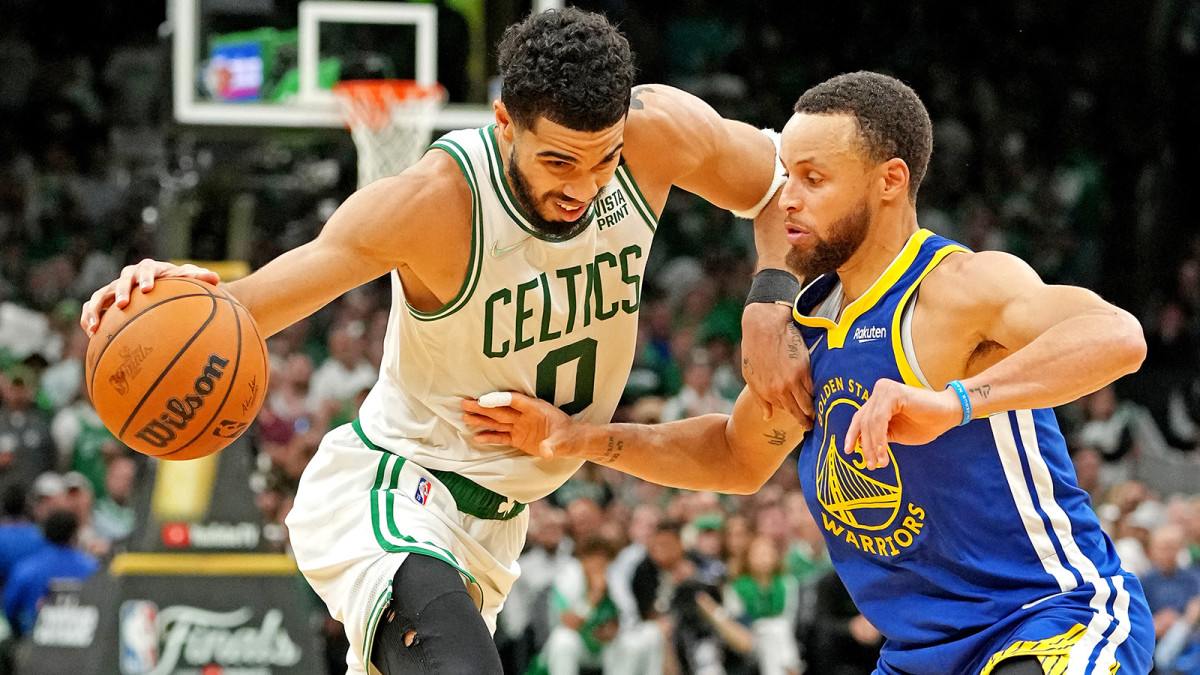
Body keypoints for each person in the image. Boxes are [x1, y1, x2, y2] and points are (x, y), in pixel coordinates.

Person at [80, 9, 803, 673]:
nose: (582, 187)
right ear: (505, 124)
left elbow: (782, 185)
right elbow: (246, 309)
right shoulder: (433, 204)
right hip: (395, 486)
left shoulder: (659, 132)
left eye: (602, 159)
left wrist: (770, 303)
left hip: (495, 527)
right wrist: (169, 299)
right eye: (558, 162)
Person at [465, 71, 1157, 674]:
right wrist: (576, 437)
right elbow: (733, 457)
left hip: (1047, 621)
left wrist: (954, 403)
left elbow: (1114, 335)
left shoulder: (956, 287)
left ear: (890, 181)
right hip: (920, 654)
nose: (786, 198)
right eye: (787, 173)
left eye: (813, 178)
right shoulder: (806, 328)